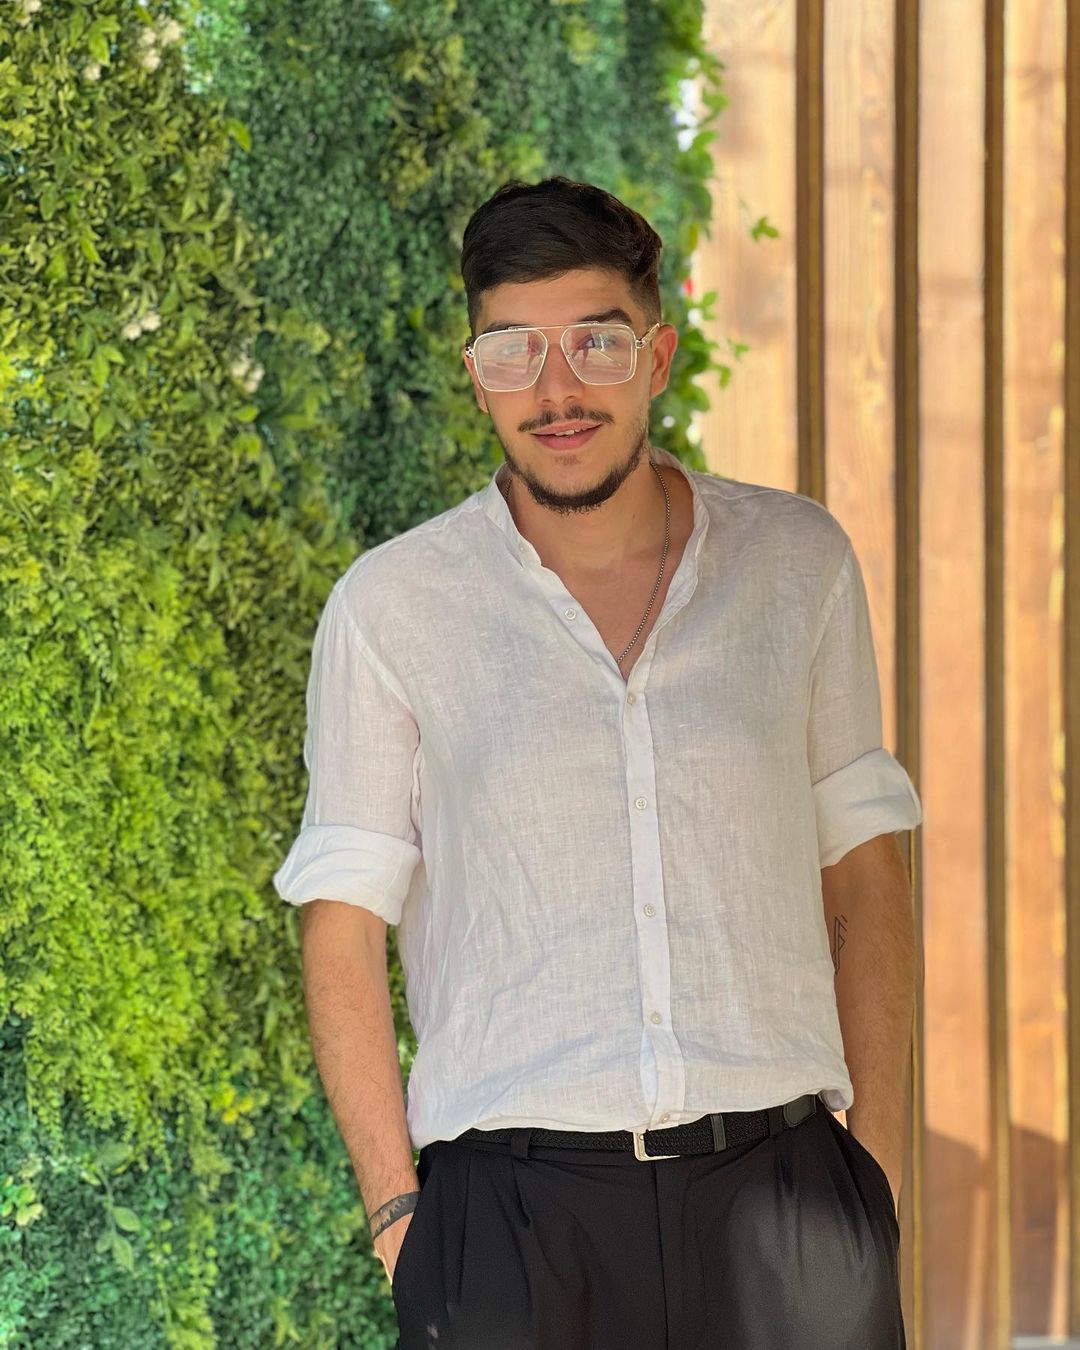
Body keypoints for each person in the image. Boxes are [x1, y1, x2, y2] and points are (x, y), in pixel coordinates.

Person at [273, 176, 923, 1350]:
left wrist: (869, 1175)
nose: (556, 389)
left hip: (787, 1207)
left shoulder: (797, 566)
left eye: (596, 343)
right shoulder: (394, 608)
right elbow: (342, 920)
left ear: (657, 356)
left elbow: (867, 873)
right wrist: (399, 1217)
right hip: (509, 1228)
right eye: (513, 351)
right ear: (476, 371)